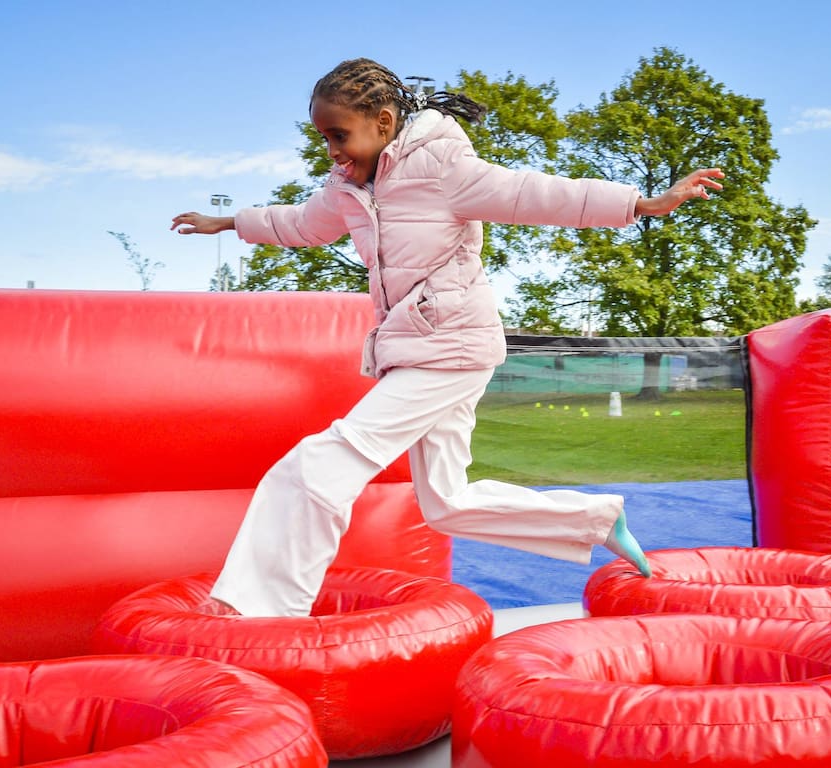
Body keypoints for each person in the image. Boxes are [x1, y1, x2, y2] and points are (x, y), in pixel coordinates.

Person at [171, 57, 724, 617]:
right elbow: (302, 225)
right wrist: (232, 221)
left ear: (383, 122)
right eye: (323, 137)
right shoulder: (346, 188)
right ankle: (595, 520)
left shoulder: (442, 167)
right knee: (446, 504)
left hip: (448, 347)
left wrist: (640, 203)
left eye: (339, 135)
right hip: (426, 349)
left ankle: (260, 612)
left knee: (317, 467)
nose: (331, 150)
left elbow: (534, 193)